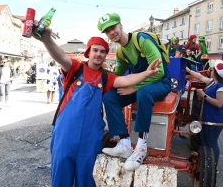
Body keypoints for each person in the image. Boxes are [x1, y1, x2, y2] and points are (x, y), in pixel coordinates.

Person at [31, 19, 162, 186]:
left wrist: (146, 74)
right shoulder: (75, 68)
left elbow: (127, 79)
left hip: (90, 136)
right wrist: (46, 39)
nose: (99, 54)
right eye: (95, 50)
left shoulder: (106, 77)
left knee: (87, 179)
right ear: (88, 52)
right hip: (66, 133)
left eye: (102, 51)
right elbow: (60, 56)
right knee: (61, 177)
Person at [97, 13, 171, 171]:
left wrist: (134, 87)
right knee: (109, 97)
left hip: (161, 82)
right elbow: (117, 76)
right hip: (141, 84)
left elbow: (158, 72)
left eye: (113, 27)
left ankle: (141, 147)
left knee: (143, 92)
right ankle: (124, 143)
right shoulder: (120, 52)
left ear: (121, 25)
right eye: (107, 31)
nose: (111, 32)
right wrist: (99, 75)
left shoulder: (141, 40)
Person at [186, 60, 223, 170]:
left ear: (215, 72)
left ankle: (214, 166)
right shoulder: (213, 82)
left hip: (216, 120)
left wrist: (204, 95)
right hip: (209, 118)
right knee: (205, 141)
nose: (210, 71)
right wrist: (188, 70)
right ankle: (207, 162)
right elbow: (200, 77)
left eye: (212, 69)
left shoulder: (221, 87)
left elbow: (219, 104)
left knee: (211, 142)